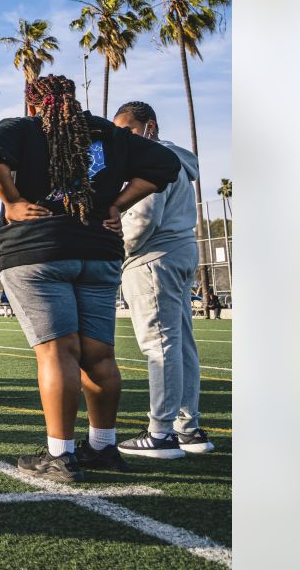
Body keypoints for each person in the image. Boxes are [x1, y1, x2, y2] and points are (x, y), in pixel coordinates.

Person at [0, 75, 180, 482]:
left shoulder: (25, 128)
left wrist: (13, 202)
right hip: (97, 253)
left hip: (39, 251)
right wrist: (118, 203)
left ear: (33, 104)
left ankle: (60, 454)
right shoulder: (107, 132)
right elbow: (165, 165)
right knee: (99, 355)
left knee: (57, 353)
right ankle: (103, 447)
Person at [111, 101, 215, 458]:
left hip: (154, 258)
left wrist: (114, 251)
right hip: (180, 252)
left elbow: (141, 220)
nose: (123, 138)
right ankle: (188, 429)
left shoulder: (151, 159)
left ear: (149, 127)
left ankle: (160, 434)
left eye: (128, 130)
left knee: (160, 345)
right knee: (180, 343)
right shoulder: (177, 160)